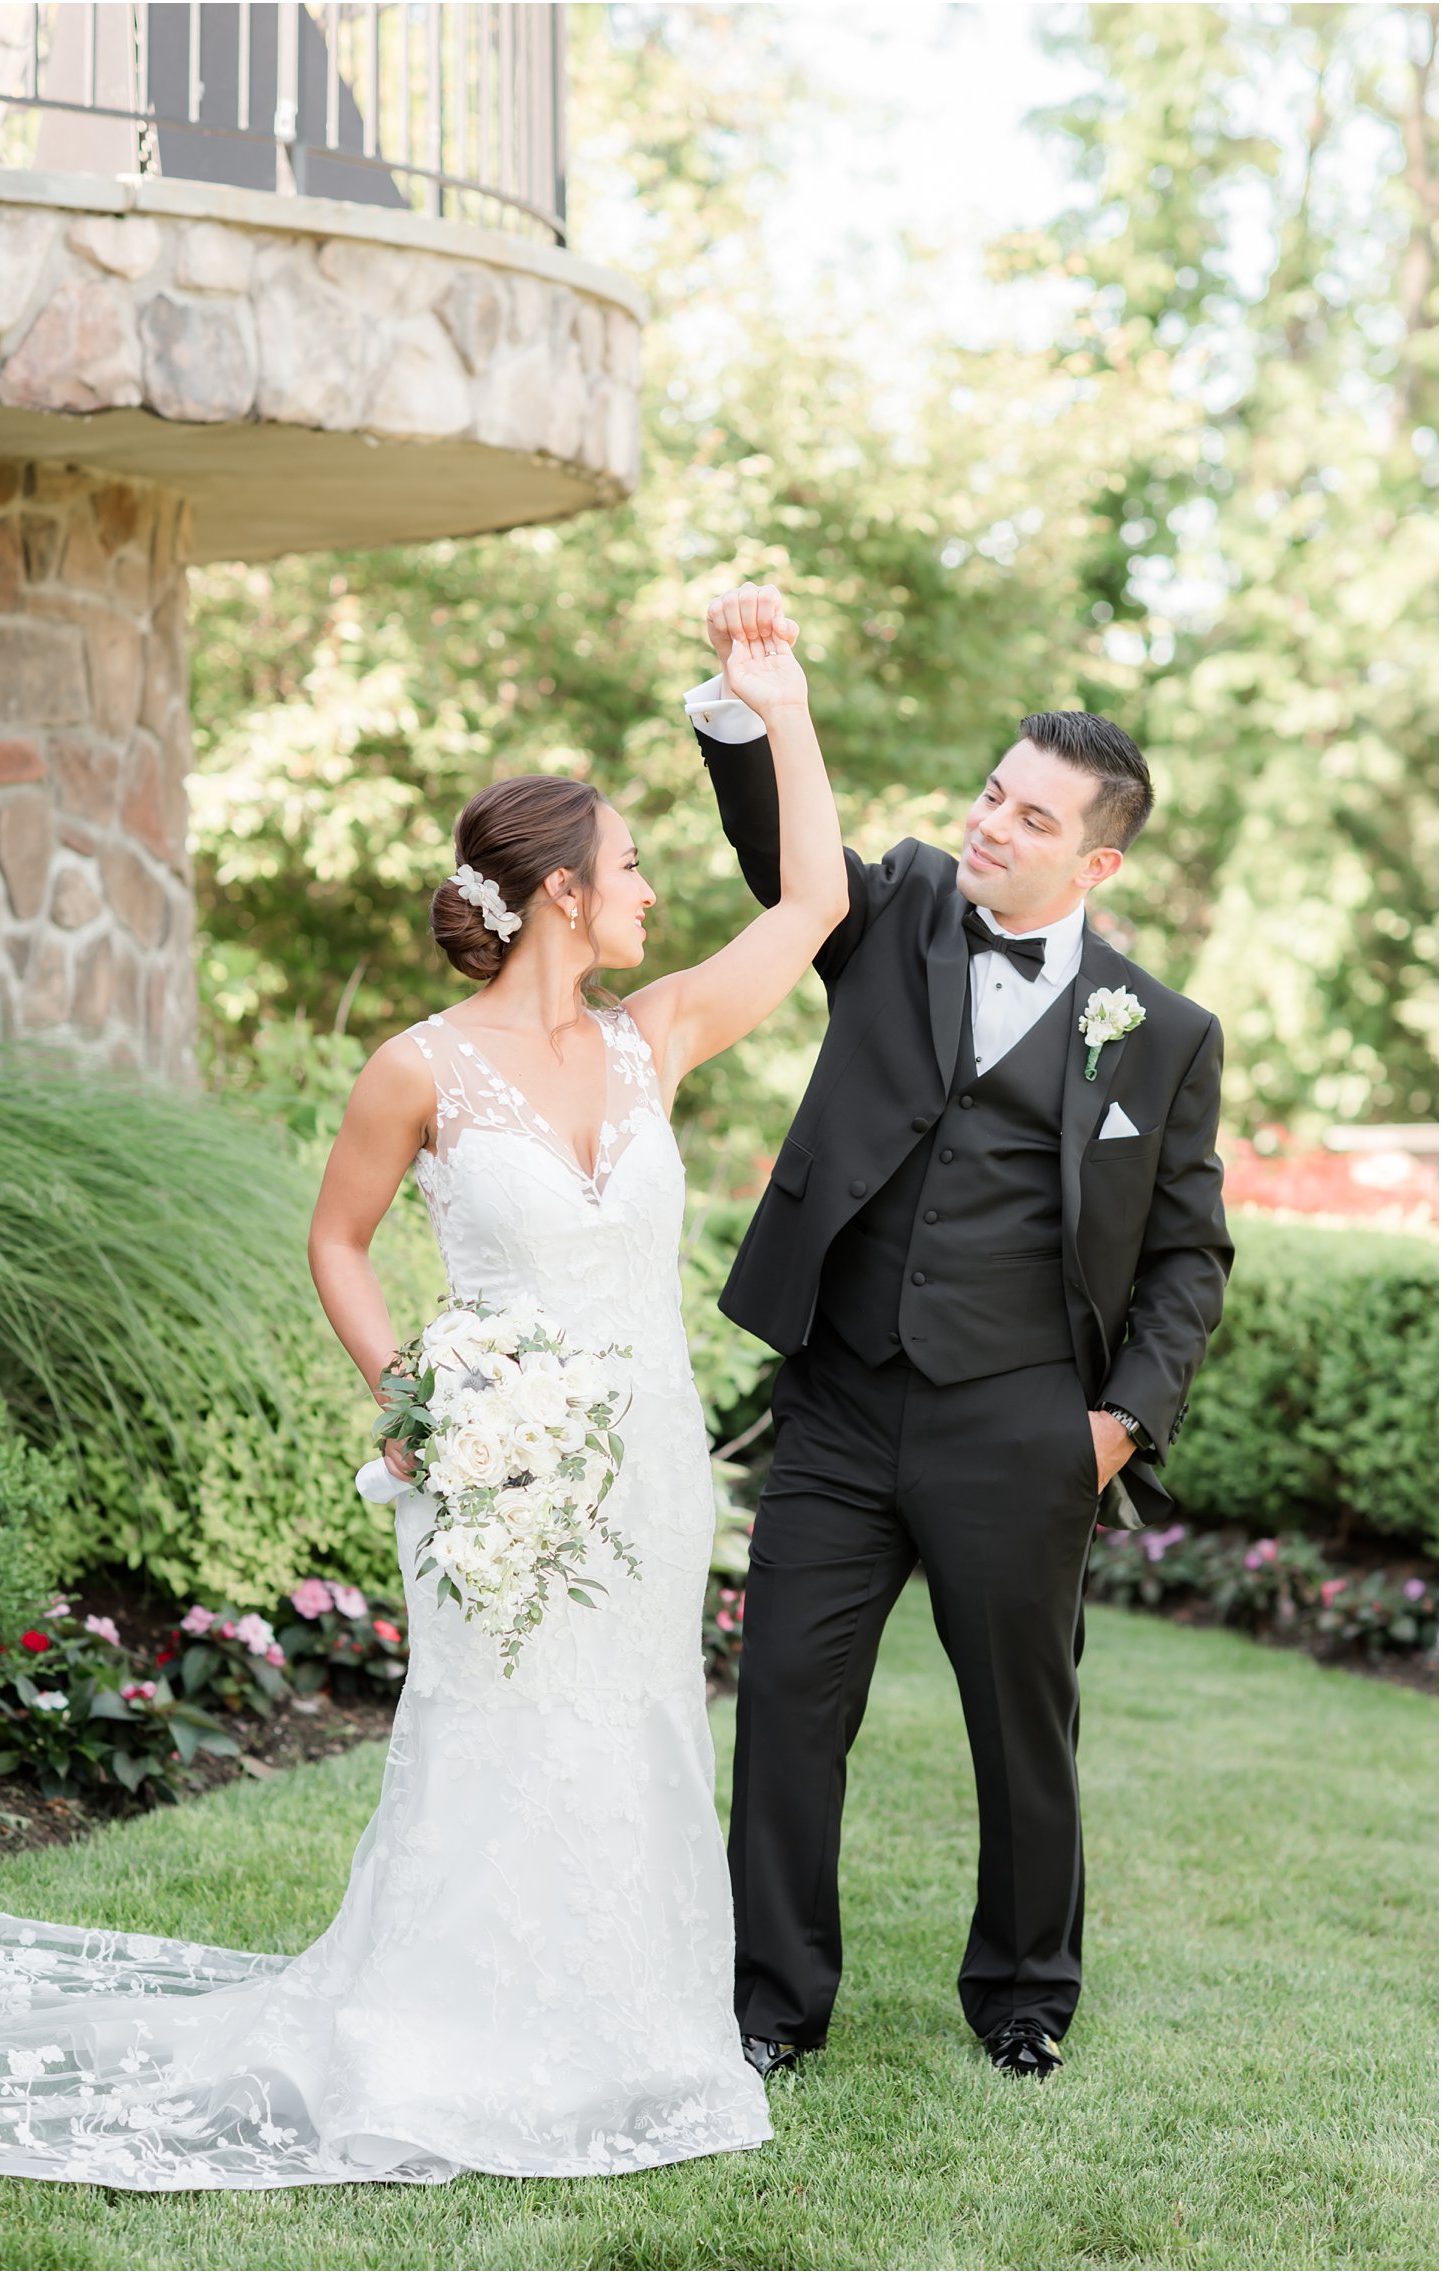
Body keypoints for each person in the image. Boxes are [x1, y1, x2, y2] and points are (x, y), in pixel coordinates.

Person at [0, 612, 848, 2189]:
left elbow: (818, 900)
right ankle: (441, 2036)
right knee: (494, 1733)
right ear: (562, 890)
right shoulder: (417, 1068)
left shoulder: (657, 1039)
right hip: (485, 1473)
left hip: (643, 1471)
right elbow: (337, 1241)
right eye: (628, 869)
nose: (647, 894)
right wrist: (426, 1405)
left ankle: (629, 2031)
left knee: (631, 1730)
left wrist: (786, 711)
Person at [686, 581, 1233, 2084]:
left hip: (1022, 1420)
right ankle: (771, 2002)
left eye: (1032, 816)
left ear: (1097, 856)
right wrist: (750, 706)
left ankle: (1024, 1991)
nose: (993, 823)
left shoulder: (1164, 1031)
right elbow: (774, 857)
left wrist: (1116, 1424)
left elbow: (1190, 1250)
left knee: (1022, 1725)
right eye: (994, 791)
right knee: (789, 1703)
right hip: (846, 1396)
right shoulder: (907, 905)